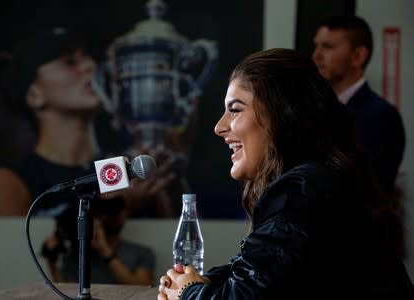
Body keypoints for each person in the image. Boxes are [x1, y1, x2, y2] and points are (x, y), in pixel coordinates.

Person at [157, 48, 414, 299]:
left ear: (282, 116)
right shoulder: (319, 179)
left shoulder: (302, 190)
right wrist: (199, 282)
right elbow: (256, 272)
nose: (219, 127)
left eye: (235, 110)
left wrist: (187, 292)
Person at [0, 26, 176, 219]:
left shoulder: (129, 169)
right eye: (69, 62)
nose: (90, 65)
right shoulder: (9, 183)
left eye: (88, 58)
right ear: (34, 94)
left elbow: (174, 243)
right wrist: (118, 210)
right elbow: (15, 251)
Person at [312, 15, 406, 203]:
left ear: (358, 56)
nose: (316, 55)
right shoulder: (312, 111)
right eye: (316, 46)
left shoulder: (382, 117)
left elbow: (370, 190)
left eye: (328, 47)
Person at [42, 195, 155, 285]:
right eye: (102, 211)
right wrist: (52, 261)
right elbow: (68, 292)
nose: (110, 216)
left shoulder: (141, 253)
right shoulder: (79, 255)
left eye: (115, 210)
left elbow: (144, 288)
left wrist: (105, 251)